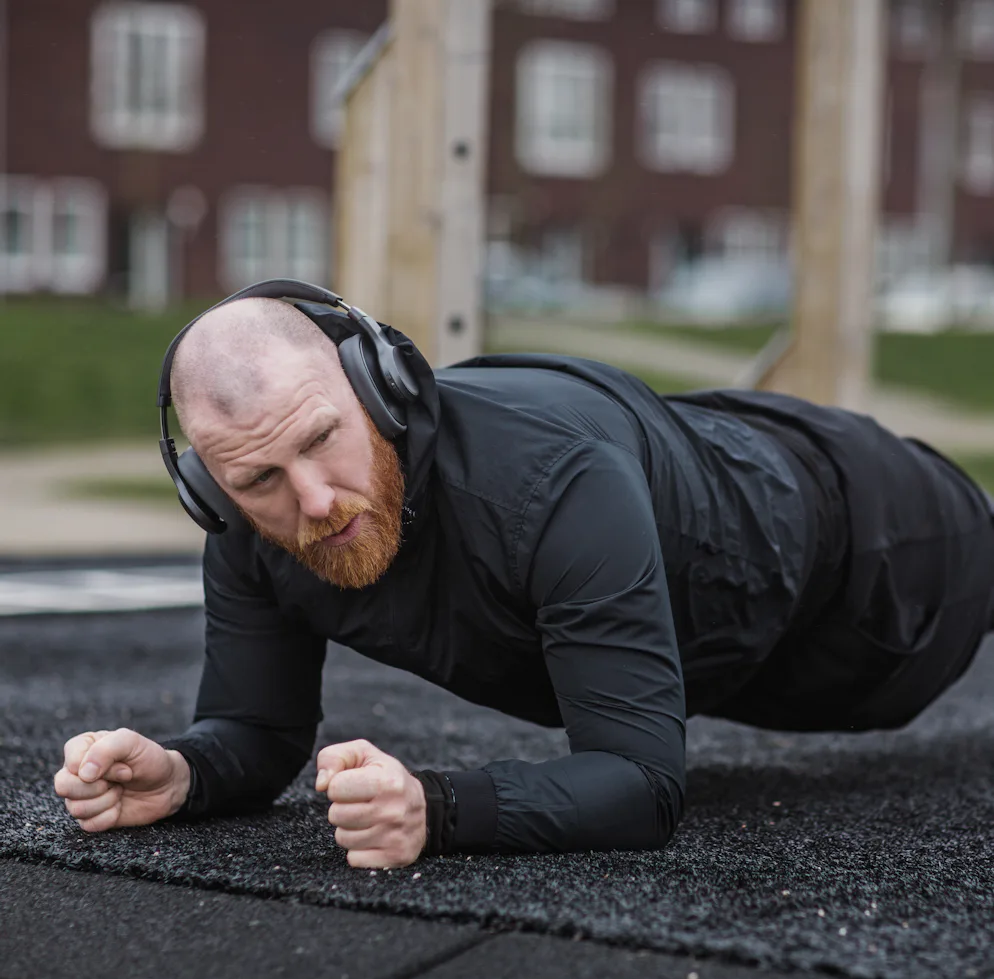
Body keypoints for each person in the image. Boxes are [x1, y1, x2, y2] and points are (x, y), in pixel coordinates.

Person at [54, 282, 994, 870]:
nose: (314, 500)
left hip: (883, 550)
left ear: (382, 386)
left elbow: (641, 785)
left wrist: (439, 809)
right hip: (735, 598)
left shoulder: (553, 487)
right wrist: (183, 774)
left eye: (322, 441)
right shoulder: (249, 532)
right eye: (258, 479)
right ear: (207, 489)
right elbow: (258, 734)